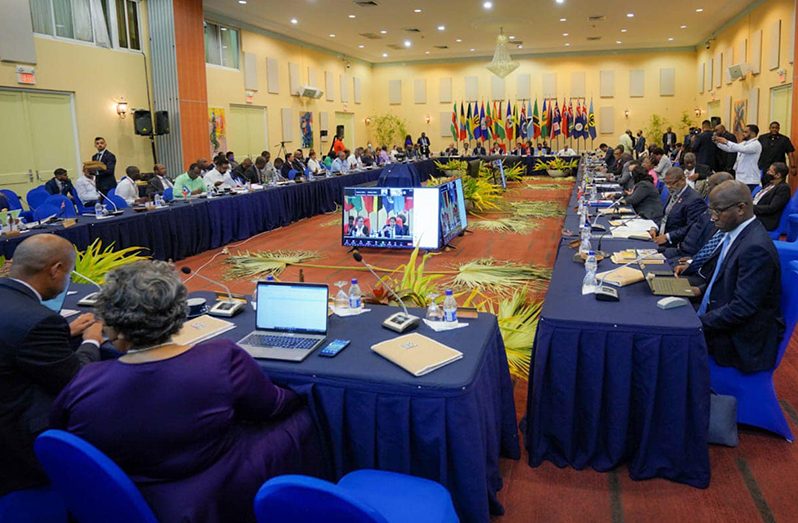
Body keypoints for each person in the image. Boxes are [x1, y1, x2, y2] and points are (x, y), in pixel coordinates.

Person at [49, 261, 321, 522]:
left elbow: (61, 431)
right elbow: (273, 407)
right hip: (211, 481)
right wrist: (300, 392)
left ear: (112, 325)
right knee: (305, 419)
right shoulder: (221, 357)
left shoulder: (86, 380)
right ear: (179, 311)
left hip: (122, 491)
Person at [0, 235, 103, 496]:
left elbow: (11, 341)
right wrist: (91, 341)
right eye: (69, 272)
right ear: (56, 270)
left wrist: (64, 333)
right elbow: (76, 382)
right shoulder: (39, 320)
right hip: (19, 445)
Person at [687, 181, 784, 373]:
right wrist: (700, 290)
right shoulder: (736, 233)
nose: (712, 218)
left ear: (741, 208)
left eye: (718, 211)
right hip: (719, 312)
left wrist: (696, 323)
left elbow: (742, 308)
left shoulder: (755, 248)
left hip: (738, 341)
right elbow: (725, 279)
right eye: (711, 210)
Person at [666, 171, 733, 262]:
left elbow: (706, 248)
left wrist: (691, 261)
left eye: (709, 185)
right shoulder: (709, 211)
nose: (707, 189)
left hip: (689, 258)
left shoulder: (723, 219)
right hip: (682, 251)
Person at [649, 167, 707, 248]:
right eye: (666, 183)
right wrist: (654, 227)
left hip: (674, 245)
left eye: (671, 183)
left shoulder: (694, 200)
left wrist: (667, 237)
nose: (668, 186)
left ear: (683, 180)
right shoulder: (674, 193)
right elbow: (665, 215)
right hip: (659, 238)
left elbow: (692, 228)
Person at [715, 124, 763, 192]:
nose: (743, 134)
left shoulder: (756, 144)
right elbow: (730, 149)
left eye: (746, 132)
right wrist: (717, 143)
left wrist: (726, 141)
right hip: (740, 178)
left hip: (750, 179)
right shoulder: (744, 143)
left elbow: (741, 149)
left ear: (753, 133)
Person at [753, 162, 792, 231]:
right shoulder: (769, 184)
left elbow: (772, 208)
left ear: (778, 175)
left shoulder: (783, 188)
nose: (767, 172)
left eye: (770, 171)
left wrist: (752, 208)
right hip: (754, 214)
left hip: (764, 219)